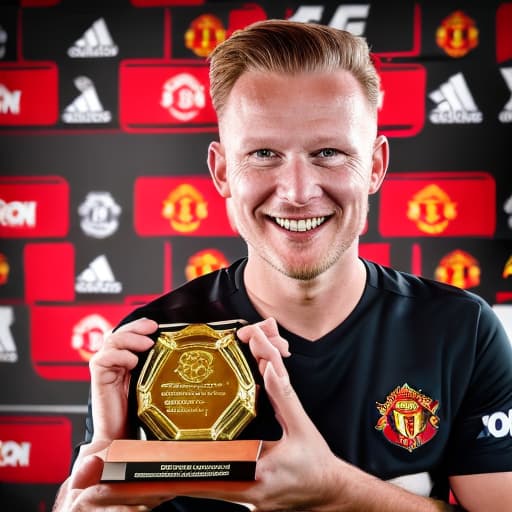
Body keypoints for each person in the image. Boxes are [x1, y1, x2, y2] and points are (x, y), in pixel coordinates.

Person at [52, 19, 512, 512]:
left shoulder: (461, 330)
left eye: (329, 153)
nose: (296, 191)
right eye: (264, 153)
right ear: (222, 171)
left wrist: (338, 490)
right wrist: (93, 492)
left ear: (375, 167)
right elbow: (91, 494)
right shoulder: (154, 344)